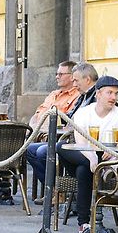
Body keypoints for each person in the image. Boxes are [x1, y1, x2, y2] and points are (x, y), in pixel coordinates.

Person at [61, 76, 118, 233]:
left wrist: (114, 150)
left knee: (83, 171)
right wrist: (93, 159)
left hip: (106, 155)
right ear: (98, 94)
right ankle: (100, 171)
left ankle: (84, 224)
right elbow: (80, 141)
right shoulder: (84, 113)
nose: (113, 97)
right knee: (61, 148)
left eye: (115, 94)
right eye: (109, 93)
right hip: (84, 152)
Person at [24, 60, 80, 203]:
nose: (57, 76)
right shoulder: (53, 94)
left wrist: (43, 123)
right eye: (56, 73)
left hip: (61, 139)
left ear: (72, 76)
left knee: (42, 152)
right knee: (28, 150)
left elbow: (65, 121)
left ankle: (58, 192)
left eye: (61, 74)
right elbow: (38, 114)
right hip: (42, 135)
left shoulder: (76, 96)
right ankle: (55, 190)